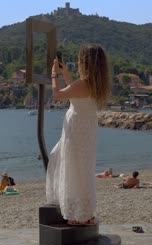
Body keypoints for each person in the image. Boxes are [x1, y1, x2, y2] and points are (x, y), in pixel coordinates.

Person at [46, 44, 111, 226]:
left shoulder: (82, 84)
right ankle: (84, 212)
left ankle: (76, 215)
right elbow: (74, 90)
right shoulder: (96, 84)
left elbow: (57, 95)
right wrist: (65, 73)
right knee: (83, 168)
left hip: (76, 129)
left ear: (86, 63)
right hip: (87, 128)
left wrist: (54, 74)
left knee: (70, 166)